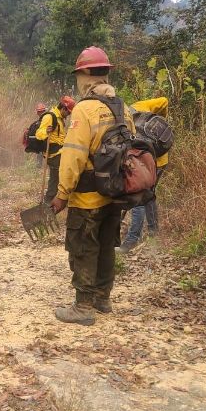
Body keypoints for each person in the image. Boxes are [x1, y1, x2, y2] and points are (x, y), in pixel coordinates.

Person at [50, 46, 135, 326]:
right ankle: (103, 298)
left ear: (86, 75)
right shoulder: (123, 107)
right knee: (107, 246)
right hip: (115, 195)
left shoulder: (84, 110)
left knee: (84, 247)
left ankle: (83, 307)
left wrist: (62, 193)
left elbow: (73, 154)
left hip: (87, 197)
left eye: (79, 74)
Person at [117, 97, 170, 253]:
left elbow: (164, 101)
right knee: (148, 195)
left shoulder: (139, 108)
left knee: (138, 198)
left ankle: (132, 240)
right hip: (152, 161)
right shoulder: (134, 111)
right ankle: (153, 232)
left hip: (153, 161)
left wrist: (159, 121)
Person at [35, 96, 76, 204]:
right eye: (69, 112)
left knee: (59, 178)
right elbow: (39, 134)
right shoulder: (50, 116)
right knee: (56, 179)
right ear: (64, 108)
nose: (69, 115)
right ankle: (48, 203)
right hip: (54, 155)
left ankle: (53, 201)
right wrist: (46, 132)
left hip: (60, 153)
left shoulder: (60, 118)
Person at [33, 103, 47, 168]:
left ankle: (46, 165)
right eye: (38, 112)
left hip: (47, 138)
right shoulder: (39, 120)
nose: (39, 113)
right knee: (40, 151)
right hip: (41, 138)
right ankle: (39, 165)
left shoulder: (47, 118)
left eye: (40, 112)